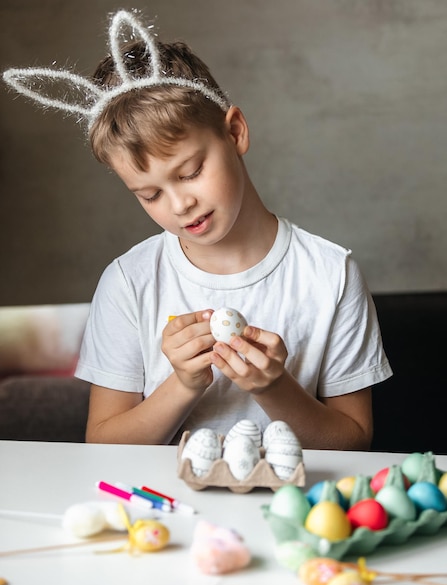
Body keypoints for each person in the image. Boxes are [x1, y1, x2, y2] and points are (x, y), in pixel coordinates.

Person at [3, 10, 392, 449]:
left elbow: (354, 442)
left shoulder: (330, 274)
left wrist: (272, 387)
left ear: (236, 133)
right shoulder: (130, 282)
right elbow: (104, 446)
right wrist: (184, 383)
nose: (179, 204)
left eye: (190, 172)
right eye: (149, 195)